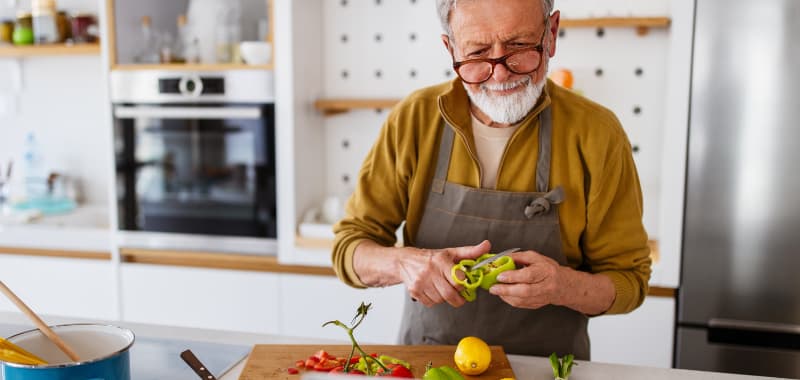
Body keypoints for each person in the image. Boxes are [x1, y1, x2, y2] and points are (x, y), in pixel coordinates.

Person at [331, 0, 651, 359]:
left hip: (546, 369)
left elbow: (630, 281)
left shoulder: (597, 133)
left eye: (518, 47)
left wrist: (563, 286)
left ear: (551, 34)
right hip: (430, 363)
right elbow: (349, 249)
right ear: (450, 48)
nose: (500, 74)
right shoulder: (414, 119)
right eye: (478, 53)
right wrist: (404, 263)